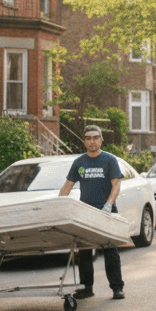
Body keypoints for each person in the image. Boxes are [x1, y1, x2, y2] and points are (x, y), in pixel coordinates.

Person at [59, 125, 125, 300]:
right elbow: (67, 186)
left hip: (106, 212)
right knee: (85, 252)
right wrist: (58, 205)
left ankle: (117, 288)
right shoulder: (79, 162)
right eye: (88, 138)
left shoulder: (109, 160)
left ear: (101, 139)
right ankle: (87, 288)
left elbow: (116, 184)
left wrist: (108, 205)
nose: (92, 141)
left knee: (110, 250)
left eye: (95, 137)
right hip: (85, 213)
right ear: (84, 141)